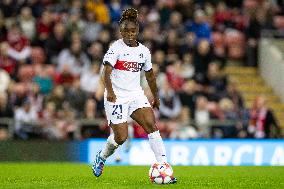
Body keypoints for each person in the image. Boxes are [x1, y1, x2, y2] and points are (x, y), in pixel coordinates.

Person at [92, 8, 177, 183]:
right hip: (116, 97)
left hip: (136, 95)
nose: (130, 34)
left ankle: (163, 166)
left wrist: (156, 96)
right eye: (126, 31)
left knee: (151, 125)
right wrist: (111, 93)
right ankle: (102, 156)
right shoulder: (115, 48)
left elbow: (150, 75)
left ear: (137, 31)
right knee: (121, 138)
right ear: (121, 31)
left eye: (133, 31)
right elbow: (106, 73)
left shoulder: (144, 51)